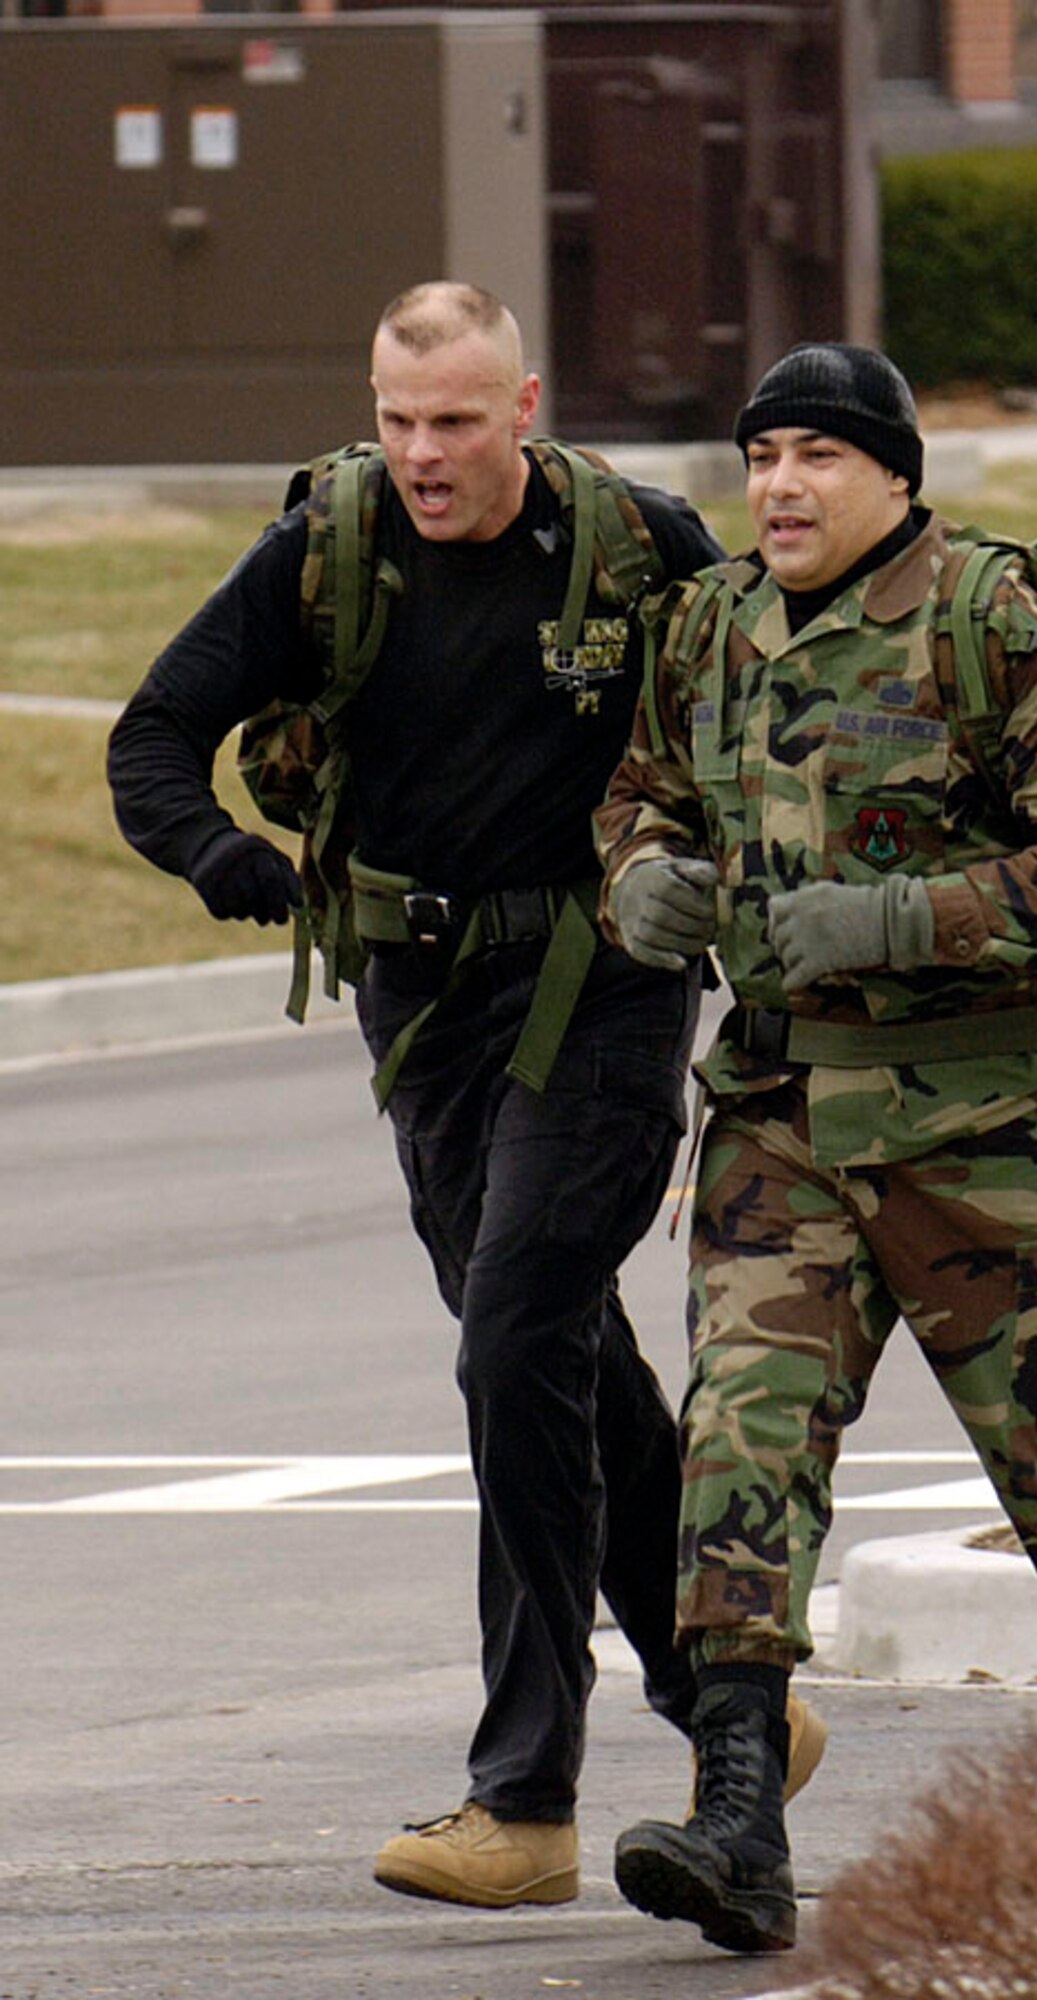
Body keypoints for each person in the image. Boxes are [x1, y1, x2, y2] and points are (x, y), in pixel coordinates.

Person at [106, 281, 824, 1912]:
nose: (422, 454)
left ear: (524, 404)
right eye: (395, 417)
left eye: (453, 419)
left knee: (513, 1338)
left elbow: (786, 716)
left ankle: (526, 1801)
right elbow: (153, 736)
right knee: (556, 1354)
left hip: (603, 995)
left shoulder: (636, 548)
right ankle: (728, 1710)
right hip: (421, 1011)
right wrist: (221, 853)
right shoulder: (329, 548)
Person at [594, 342, 1037, 1955]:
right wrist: (640, 873)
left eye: (815, 456)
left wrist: (902, 914)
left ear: (896, 476)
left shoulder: (997, 623)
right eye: (759, 454)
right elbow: (642, 792)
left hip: (982, 1130)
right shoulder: (708, 624)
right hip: (783, 1116)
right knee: (741, 1446)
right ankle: (738, 1821)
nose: (777, 486)